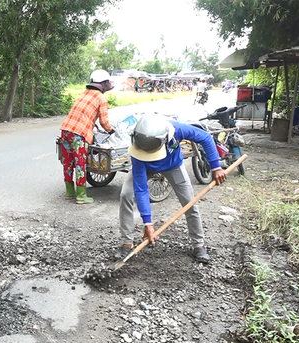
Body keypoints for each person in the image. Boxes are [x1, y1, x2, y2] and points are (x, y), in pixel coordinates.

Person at [115, 115, 227, 263]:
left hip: (173, 166)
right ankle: (126, 242)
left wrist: (216, 166)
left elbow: (205, 137)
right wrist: (148, 223)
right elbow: (141, 189)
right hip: (144, 166)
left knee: (189, 203)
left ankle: (198, 245)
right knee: (126, 195)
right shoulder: (138, 147)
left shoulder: (176, 129)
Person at [59, 69, 114, 204]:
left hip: (65, 130)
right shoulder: (101, 98)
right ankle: (81, 195)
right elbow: (104, 122)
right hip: (79, 134)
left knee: (68, 162)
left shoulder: (83, 94)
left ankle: (70, 192)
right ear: (104, 83)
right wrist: (112, 131)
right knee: (80, 163)